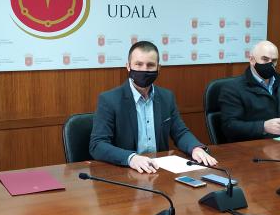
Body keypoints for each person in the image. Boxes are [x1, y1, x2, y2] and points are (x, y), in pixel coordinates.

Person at [90, 41, 217, 173]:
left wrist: (195, 148)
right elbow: (97, 145)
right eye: (138, 64)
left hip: (159, 170)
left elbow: (180, 132)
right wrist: (131, 158)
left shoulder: (166, 97)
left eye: (150, 65)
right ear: (128, 66)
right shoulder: (110, 99)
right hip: (126, 171)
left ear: (158, 68)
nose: (144, 70)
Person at [219, 40, 280, 142]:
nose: (270, 64)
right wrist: (263, 127)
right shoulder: (233, 88)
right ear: (252, 60)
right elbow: (230, 126)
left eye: (273, 61)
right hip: (253, 146)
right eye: (265, 59)